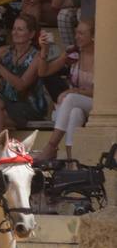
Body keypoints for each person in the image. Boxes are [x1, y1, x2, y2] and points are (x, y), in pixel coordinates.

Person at [0, 14, 49, 142]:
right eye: (14, 28)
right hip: (8, 103)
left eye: (20, 29)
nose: (15, 32)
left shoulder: (37, 56)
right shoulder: (5, 51)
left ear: (32, 34)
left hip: (28, 106)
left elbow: (21, 85)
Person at [37, 18, 95, 161]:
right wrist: (44, 50)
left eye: (81, 33)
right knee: (75, 112)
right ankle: (71, 161)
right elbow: (43, 72)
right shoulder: (74, 53)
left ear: (93, 36)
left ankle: (51, 147)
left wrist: (74, 91)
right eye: (76, 33)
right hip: (78, 105)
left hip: (98, 104)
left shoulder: (102, 57)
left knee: (70, 98)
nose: (76, 37)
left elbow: (102, 93)